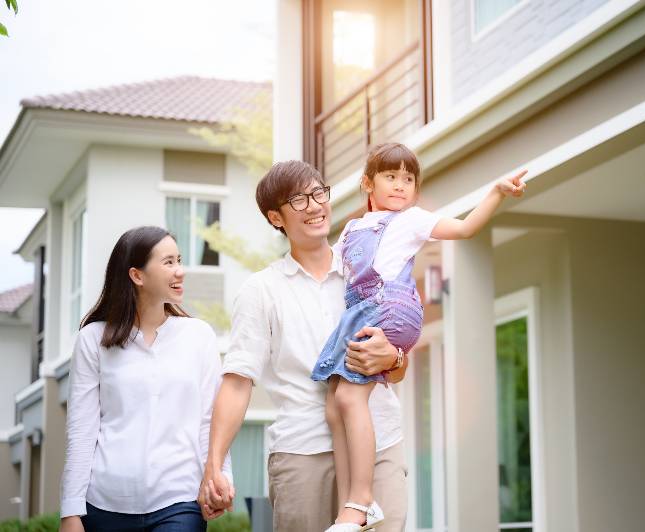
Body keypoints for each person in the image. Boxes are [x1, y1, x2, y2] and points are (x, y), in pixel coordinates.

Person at [310, 142, 526, 531]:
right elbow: (327, 264)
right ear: (367, 184)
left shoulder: (411, 220)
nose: (400, 186)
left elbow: (464, 228)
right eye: (390, 177)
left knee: (350, 397)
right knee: (335, 403)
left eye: (408, 179)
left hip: (389, 307)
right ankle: (350, 504)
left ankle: (361, 501)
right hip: (361, 309)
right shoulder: (353, 229)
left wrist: (494, 193)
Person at [198, 161, 408, 531]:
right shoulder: (261, 290)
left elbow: (399, 364)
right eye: (298, 200)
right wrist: (213, 463)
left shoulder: (369, 270)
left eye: (318, 193)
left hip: (379, 442)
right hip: (303, 452)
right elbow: (236, 382)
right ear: (276, 218)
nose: (314, 206)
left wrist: (393, 356)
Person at [59, 226, 231, 532]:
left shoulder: (199, 337)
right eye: (168, 263)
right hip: (105, 504)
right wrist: (70, 511)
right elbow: (82, 431)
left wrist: (218, 476)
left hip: (179, 501)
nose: (180, 271)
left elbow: (209, 420)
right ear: (137, 276)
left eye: (179, 260)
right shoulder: (92, 340)